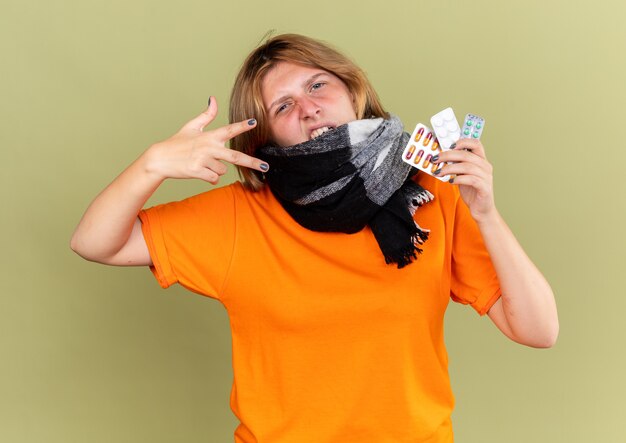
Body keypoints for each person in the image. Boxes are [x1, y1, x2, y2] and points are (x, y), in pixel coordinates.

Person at [71, 33, 558, 443]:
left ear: (353, 91)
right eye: (283, 106)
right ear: (264, 139)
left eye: (318, 84)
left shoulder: (429, 193)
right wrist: (151, 165)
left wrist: (487, 213)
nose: (309, 109)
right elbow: (95, 242)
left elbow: (539, 331)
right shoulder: (237, 218)